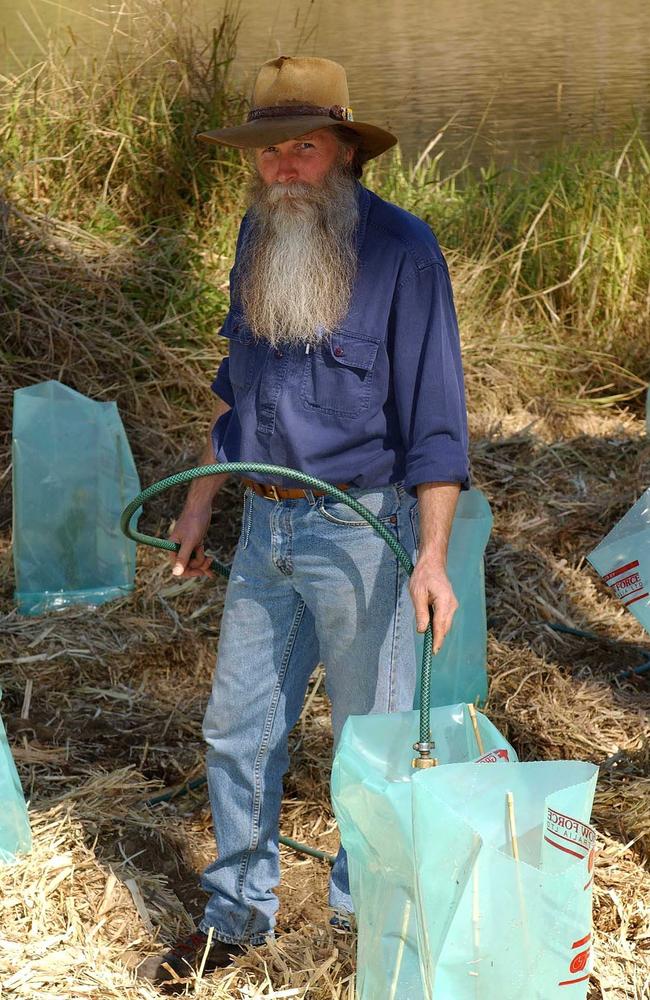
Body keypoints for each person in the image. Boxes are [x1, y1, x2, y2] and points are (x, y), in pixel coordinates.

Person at [137, 55, 469, 991]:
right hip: (264, 529)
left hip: (366, 531)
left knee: (369, 746)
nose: (283, 165)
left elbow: (439, 422)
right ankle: (236, 915)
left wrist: (432, 557)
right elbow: (234, 399)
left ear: (346, 153)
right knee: (235, 730)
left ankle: (367, 926)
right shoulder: (258, 234)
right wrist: (200, 506)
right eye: (268, 149)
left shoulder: (405, 252)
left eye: (304, 147)